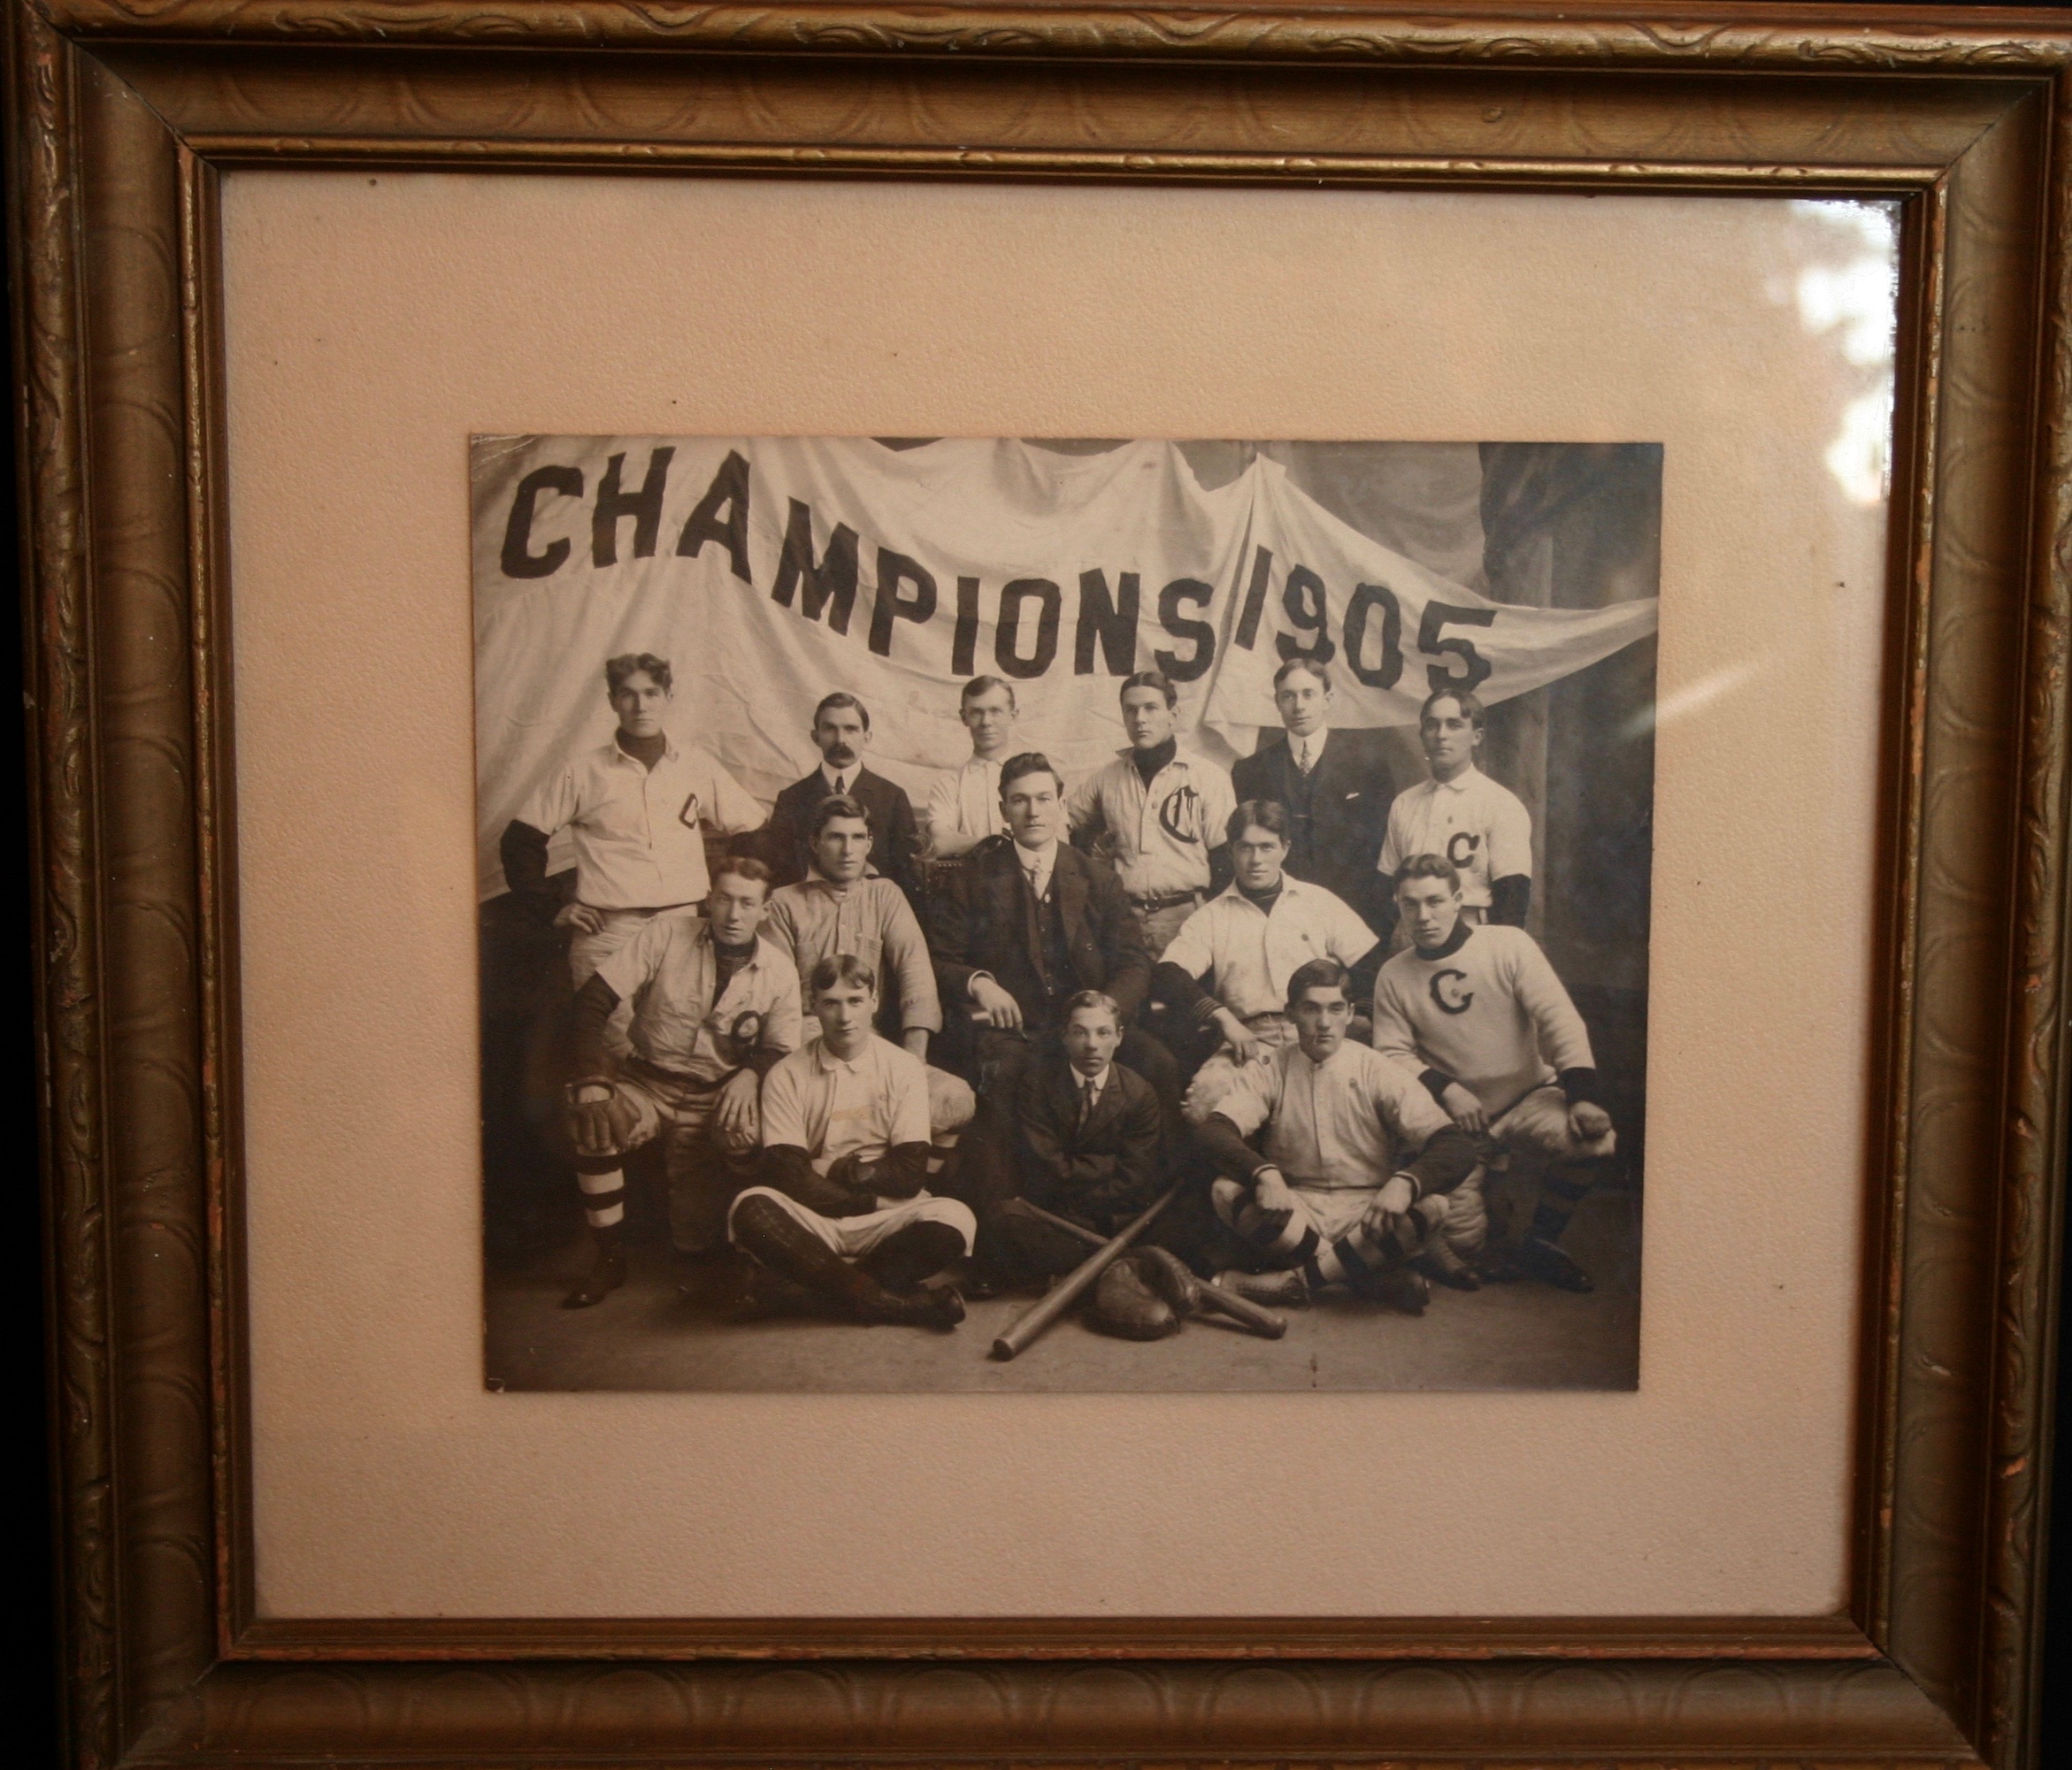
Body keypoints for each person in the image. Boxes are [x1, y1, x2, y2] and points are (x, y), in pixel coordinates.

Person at [925, 751, 1178, 1254]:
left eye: (1044, 799)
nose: (1033, 811)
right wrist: (981, 983)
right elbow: (940, 956)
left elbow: (1134, 960)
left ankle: (1158, 1222)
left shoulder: (1095, 876)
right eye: (1020, 801)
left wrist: (1107, 1010)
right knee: (1002, 1075)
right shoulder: (974, 876)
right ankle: (1003, 1236)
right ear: (1003, 808)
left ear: (1061, 804)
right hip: (1016, 1027)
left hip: (1089, 1026)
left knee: (1160, 1063)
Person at [559, 857, 801, 1308]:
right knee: (593, 1118)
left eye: (747, 904)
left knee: (695, 1239)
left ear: (765, 910)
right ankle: (609, 1258)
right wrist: (593, 1078)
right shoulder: (665, 934)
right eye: (724, 899)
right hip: (647, 1083)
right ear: (709, 898)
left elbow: (782, 1046)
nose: (733, 915)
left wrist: (751, 1074)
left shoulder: (779, 969)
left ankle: (738, 1249)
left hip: (714, 1099)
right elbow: (592, 1001)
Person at [1370, 853, 1615, 1292]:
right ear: (1398, 906)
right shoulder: (1394, 974)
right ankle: (1486, 1200)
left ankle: (1540, 1242)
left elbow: (1558, 1018)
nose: (1424, 916)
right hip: (1457, 1122)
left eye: (1435, 901)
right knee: (1465, 1248)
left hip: (1527, 1096)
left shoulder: (1508, 944)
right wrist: (1448, 1091)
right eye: (1411, 905)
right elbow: (1390, 1052)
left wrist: (1582, 1095)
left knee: (1593, 1142)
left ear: (1459, 899)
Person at [500, 651, 765, 1051]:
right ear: (611, 701)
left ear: (668, 697)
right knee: (611, 1053)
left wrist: (727, 895)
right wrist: (551, 905)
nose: (641, 706)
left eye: (651, 693)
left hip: (682, 929)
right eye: (628, 694)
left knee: (676, 1048)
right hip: (608, 933)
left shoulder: (697, 765)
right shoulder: (582, 771)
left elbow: (752, 828)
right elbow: (520, 841)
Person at [1190, 958, 1478, 1314]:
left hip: (1369, 1213)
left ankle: (1291, 1284)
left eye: (1335, 1009)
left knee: (1434, 1206)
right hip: (1296, 1209)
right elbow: (1214, 1131)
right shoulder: (1269, 1068)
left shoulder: (1378, 1068)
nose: (1324, 1023)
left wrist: (1405, 1184)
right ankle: (1364, 1277)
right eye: (1311, 1009)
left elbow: (1456, 1145)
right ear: (1290, 1013)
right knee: (1225, 1190)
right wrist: (1263, 1173)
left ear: (1350, 1013)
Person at [725, 956, 975, 1330]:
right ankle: (897, 1305)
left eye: (855, 1001)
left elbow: (908, 1175)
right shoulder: (786, 1075)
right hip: (815, 1219)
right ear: (814, 1006)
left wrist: (840, 1169)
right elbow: (792, 1179)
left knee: (957, 1220)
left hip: (886, 1219)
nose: (845, 1016)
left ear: (874, 1002)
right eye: (831, 1003)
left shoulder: (903, 1067)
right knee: (750, 1209)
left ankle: (803, 1294)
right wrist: (869, 1195)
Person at [760, 793, 976, 1153]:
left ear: (869, 844)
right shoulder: (785, 903)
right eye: (836, 837)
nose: (848, 850)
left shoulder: (885, 895)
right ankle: (863, 1148)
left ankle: (856, 1146)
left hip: (873, 1047)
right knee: (765, 1119)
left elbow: (915, 973)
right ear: (815, 843)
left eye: (857, 838)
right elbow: (776, 1000)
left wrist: (913, 1059)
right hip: (807, 1047)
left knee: (956, 1099)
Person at [1155, 800, 1383, 1123]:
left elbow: (1371, 963)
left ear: (1285, 848)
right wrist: (1224, 1020)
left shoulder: (1317, 901)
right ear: (1231, 850)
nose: (1256, 860)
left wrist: (1359, 1016)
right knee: (1202, 1106)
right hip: (1249, 1042)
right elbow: (1168, 973)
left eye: (1266, 847)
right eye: (1245, 848)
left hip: (1319, 1031)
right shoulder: (1212, 917)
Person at [987, 991, 1170, 1283]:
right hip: (1052, 1213)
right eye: (1080, 1032)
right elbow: (1044, 1166)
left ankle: (1078, 1270)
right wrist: (1107, 1164)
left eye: (1103, 1033)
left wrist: (1079, 1186)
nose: (1092, 1045)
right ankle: (1107, 1268)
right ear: (1064, 1036)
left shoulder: (1140, 1093)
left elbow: (1134, 1177)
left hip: (1107, 1217)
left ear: (1119, 1037)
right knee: (1003, 1221)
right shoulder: (1037, 1085)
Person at [1065, 669, 1237, 955]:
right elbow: (1061, 825)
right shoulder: (1106, 778)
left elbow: (1225, 859)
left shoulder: (1208, 777)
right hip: (1123, 918)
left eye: (1150, 708)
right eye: (1130, 710)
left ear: (1173, 714)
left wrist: (1212, 922)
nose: (1140, 718)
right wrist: (1094, 860)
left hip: (1187, 916)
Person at [1230, 658, 1398, 931]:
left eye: (1309, 694)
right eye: (1288, 696)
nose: (1299, 706)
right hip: (1279, 916)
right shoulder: (1250, 770)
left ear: (1327, 699)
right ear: (1277, 702)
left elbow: (1385, 846)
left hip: (1354, 914)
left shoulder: (1368, 764)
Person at [1377, 687, 1533, 938]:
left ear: (1476, 736)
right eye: (1432, 725)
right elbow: (1386, 886)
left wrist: (1497, 956)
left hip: (1473, 930)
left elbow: (1513, 895)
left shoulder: (1500, 803)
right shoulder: (1404, 803)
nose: (1441, 735)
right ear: (1422, 734)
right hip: (1413, 932)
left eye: (1454, 725)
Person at [764, 692, 923, 901]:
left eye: (851, 729)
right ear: (816, 737)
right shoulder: (791, 799)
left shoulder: (892, 797)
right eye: (830, 729)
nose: (841, 739)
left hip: (874, 914)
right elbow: (780, 876)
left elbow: (907, 878)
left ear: (867, 737)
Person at [925, 675, 1018, 859]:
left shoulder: (1038, 777)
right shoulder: (948, 786)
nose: (986, 722)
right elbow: (940, 842)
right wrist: (996, 845)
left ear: (1013, 716)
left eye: (996, 711)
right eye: (976, 712)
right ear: (963, 717)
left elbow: (1058, 839)